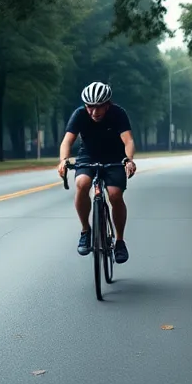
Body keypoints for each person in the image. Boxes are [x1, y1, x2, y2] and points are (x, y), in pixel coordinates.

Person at [56, 81, 136, 263]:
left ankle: (120, 241)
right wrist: (63, 160)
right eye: (90, 107)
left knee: (115, 195)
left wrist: (129, 160)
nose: (94, 112)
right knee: (82, 184)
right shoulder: (79, 115)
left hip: (115, 157)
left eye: (99, 107)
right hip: (88, 156)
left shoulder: (118, 113)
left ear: (108, 104)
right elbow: (67, 141)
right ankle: (86, 230)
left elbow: (128, 140)